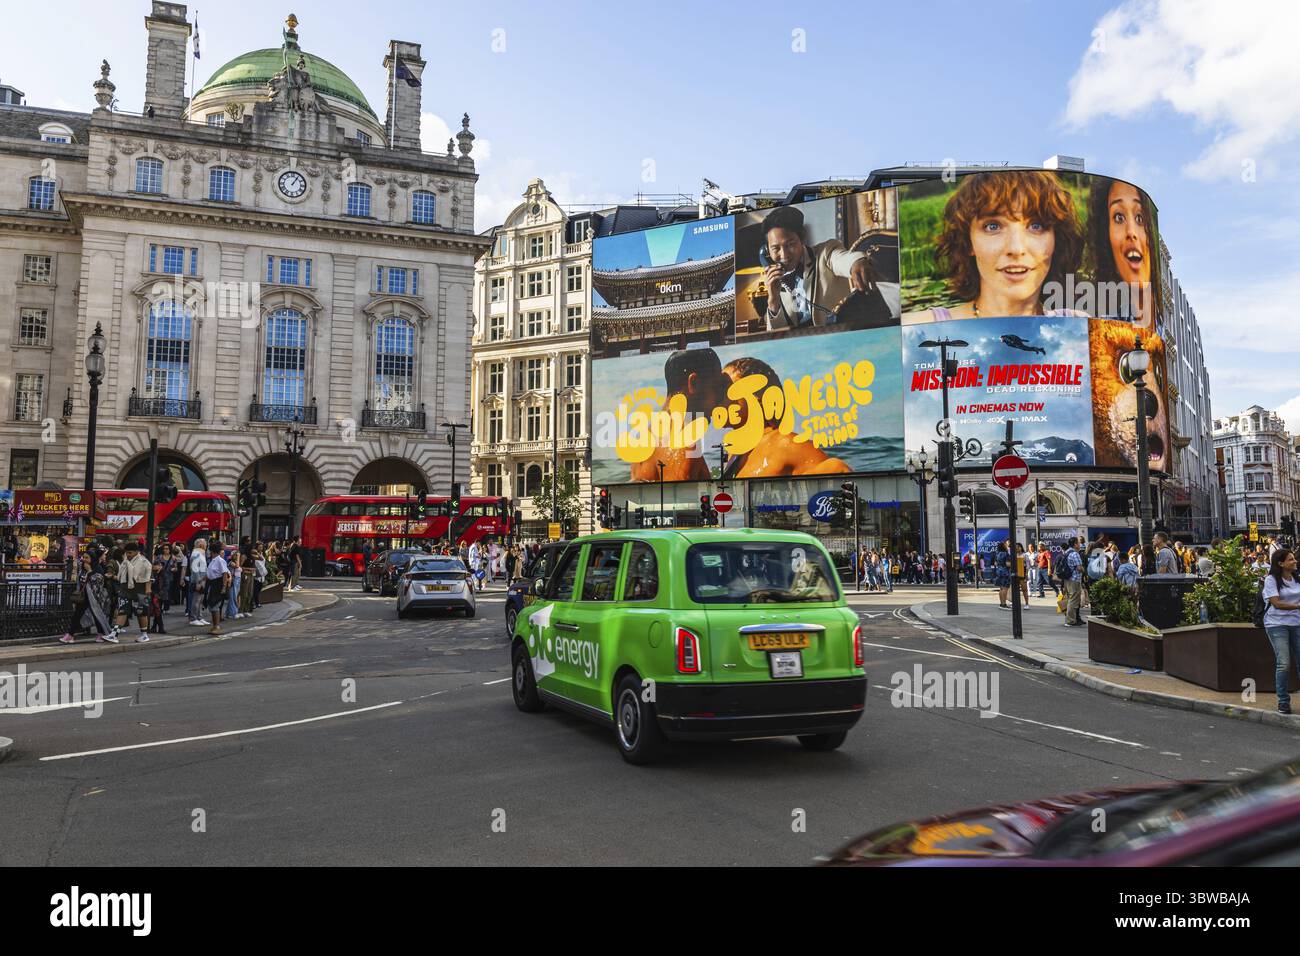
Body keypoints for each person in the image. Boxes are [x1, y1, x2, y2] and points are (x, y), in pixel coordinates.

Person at [902, 170, 1087, 325]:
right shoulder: (916, 329)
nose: (1016, 248)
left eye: (1036, 226)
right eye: (993, 226)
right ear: (968, 242)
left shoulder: (1080, 328)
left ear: (1056, 240)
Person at [759, 203, 881, 330]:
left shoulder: (826, 252)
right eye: (776, 248)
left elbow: (843, 258)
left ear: (802, 237)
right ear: (767, 251)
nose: (784, 255)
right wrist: (773, 300)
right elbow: (775, 336)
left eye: (790, 244)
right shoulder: (775, 281)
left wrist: (857, 262)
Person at [629, 348, 727, 483]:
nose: (717, 402)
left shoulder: (645, 436)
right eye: (715, 388)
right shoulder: (682, 442)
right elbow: (680, 503)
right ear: (694, 383)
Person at [1087, 177, 1159, 329]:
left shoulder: (1162, 325)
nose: (1131, 232)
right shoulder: (1107, 327)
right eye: (1119, 217)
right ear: (1106, 237)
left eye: (1140, 217)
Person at [1262, 549, 1300, 715]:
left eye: (1294, 559)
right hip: (1276, 624)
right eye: (1291, 560)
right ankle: (1283, 702)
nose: (1294, 561)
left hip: (1297, 623)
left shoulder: (1297, 578)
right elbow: (1276, 603)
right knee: (1284, 663)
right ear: (1281, 563)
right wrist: (1298, 606)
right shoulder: (1271, 580)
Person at [60, 551, 113, 644]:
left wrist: (89, 571)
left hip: (94, 598)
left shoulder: (97, 568)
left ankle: (101, 633)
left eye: (87, 558)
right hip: (83, 596)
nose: (84, 560)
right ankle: (70, 635)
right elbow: (81, 579)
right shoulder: (83, 568)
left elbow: (98, 581)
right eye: (83, 557)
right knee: (77, 615)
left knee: (97, 615)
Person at [112, 539, 154, 644]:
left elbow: (149, 577)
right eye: (126, 552)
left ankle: (144, 635)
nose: (128, 554)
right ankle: (114, 634)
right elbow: (122, 575)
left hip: (140, 591)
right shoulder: (126, 561)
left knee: (141, 613)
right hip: (125, 590)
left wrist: (148, 589)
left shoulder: (144, 562)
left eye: (130, 552)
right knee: (122, 611)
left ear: (136, 552)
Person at [205, 545, 230, 635]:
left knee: (215, 605)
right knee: (211, 605)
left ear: (212, 551)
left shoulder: (220, 560)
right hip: (212, 583)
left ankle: (217, 626)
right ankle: (214, 625)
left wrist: (224, 586)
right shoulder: (213, 560)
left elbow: (224, 574)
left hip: (218, 584)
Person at [1062, 537, 1085, 626]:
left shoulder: (1067, 552)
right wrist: (1084, 570)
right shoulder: (1075, 554)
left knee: (1070, 599)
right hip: (1074, 579)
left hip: (1067, 579)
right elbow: (1079, 568)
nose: (1080, 545)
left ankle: (1070, 618)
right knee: (1073, 600)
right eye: (1079, 543)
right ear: (1075, 544)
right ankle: (1070, 621)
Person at [188, 539, 209, 625]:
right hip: (198, 580)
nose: (205, 546)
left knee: (200, 600)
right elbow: (194, 569)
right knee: (196, 599)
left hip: (202, 579)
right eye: (204, 544)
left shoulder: (200, 553)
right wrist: (197, 582)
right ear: (200, 545)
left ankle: (199, 616)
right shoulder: (196, 554)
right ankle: (193, 618)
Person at [994, 541, 1012, 609]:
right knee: (1005, 588)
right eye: (1005, 545)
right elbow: (1008, 564)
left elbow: (995, 563)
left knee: (1001, 588)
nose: (1006, 546)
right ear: (1003, 546)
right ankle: (1004, 604)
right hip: (1005, 572)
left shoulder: (997, 554)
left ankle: (1001, 603)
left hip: (999, 571)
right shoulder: (1006, 554)